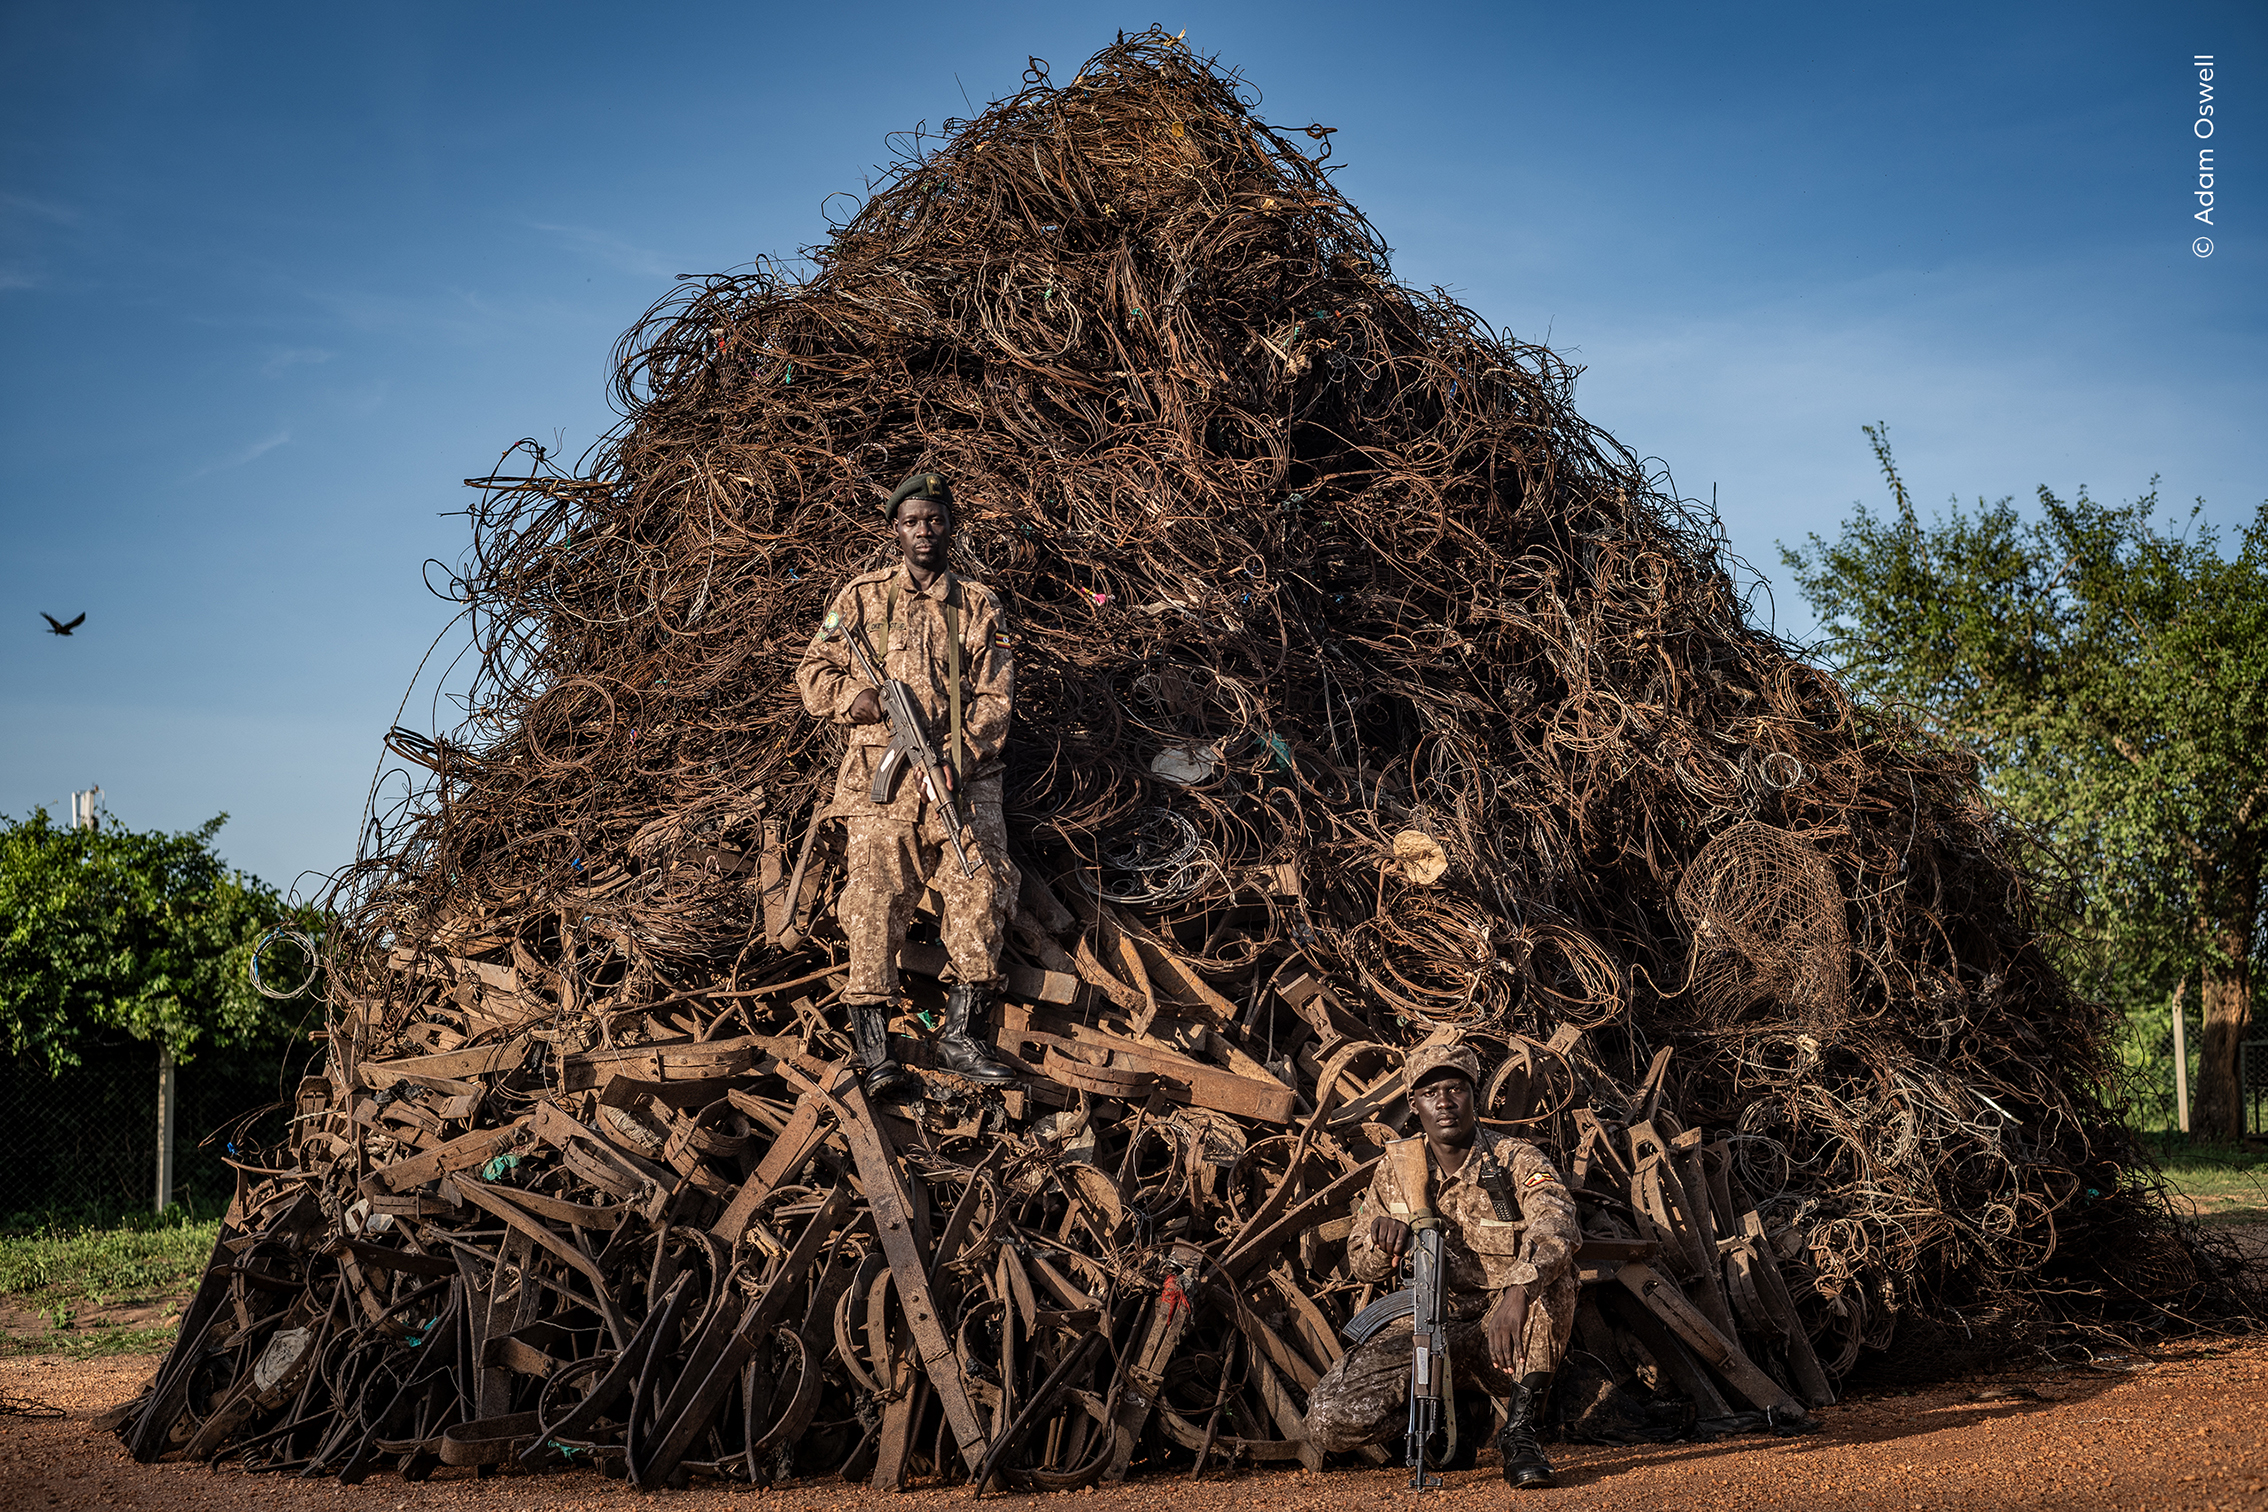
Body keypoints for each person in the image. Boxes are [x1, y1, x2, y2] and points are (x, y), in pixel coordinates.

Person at [795, 472, 1022, 1096]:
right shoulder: (862, 598)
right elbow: (811, 673)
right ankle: (875, 1052)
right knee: (872, 901)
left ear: (951, 526)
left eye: (936, 520)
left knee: (984, 886)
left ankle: (962, 1037)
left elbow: (996, 698)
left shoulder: (979, 604)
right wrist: (856, 698)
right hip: (879, 779)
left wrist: (959, 757)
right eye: (913, 522)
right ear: (895, 530)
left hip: (963, 780)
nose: (925, 532)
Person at [1302, 1040, 1580, 1488]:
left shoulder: (1514, 1158)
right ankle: (1448, 1417)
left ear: (1475, 1094)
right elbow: (1360, 1264)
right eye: (1431, 1094)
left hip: (1502, 1329)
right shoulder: (1396, 1168)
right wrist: (1382, 1244)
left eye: (1456, 1089)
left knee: (1554, 1277)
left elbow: (1558, 1224)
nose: (1445, 1103)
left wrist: (1517, 1292)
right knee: (1328, 1420)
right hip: (1427, 1323)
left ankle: (1521, 1434)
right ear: (1414, 1104)